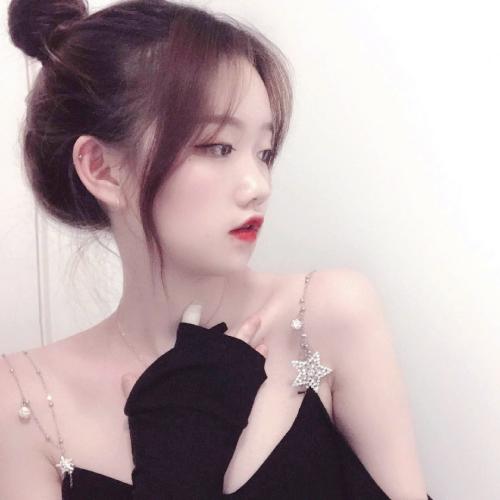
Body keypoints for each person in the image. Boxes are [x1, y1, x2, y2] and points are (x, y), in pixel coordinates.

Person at [1, 0, 435, 498]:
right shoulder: (24, 398)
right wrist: (184, 452)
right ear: (103, 169)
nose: (258, 186)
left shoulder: (324, 314)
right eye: (218, 147)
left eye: (264, 152)